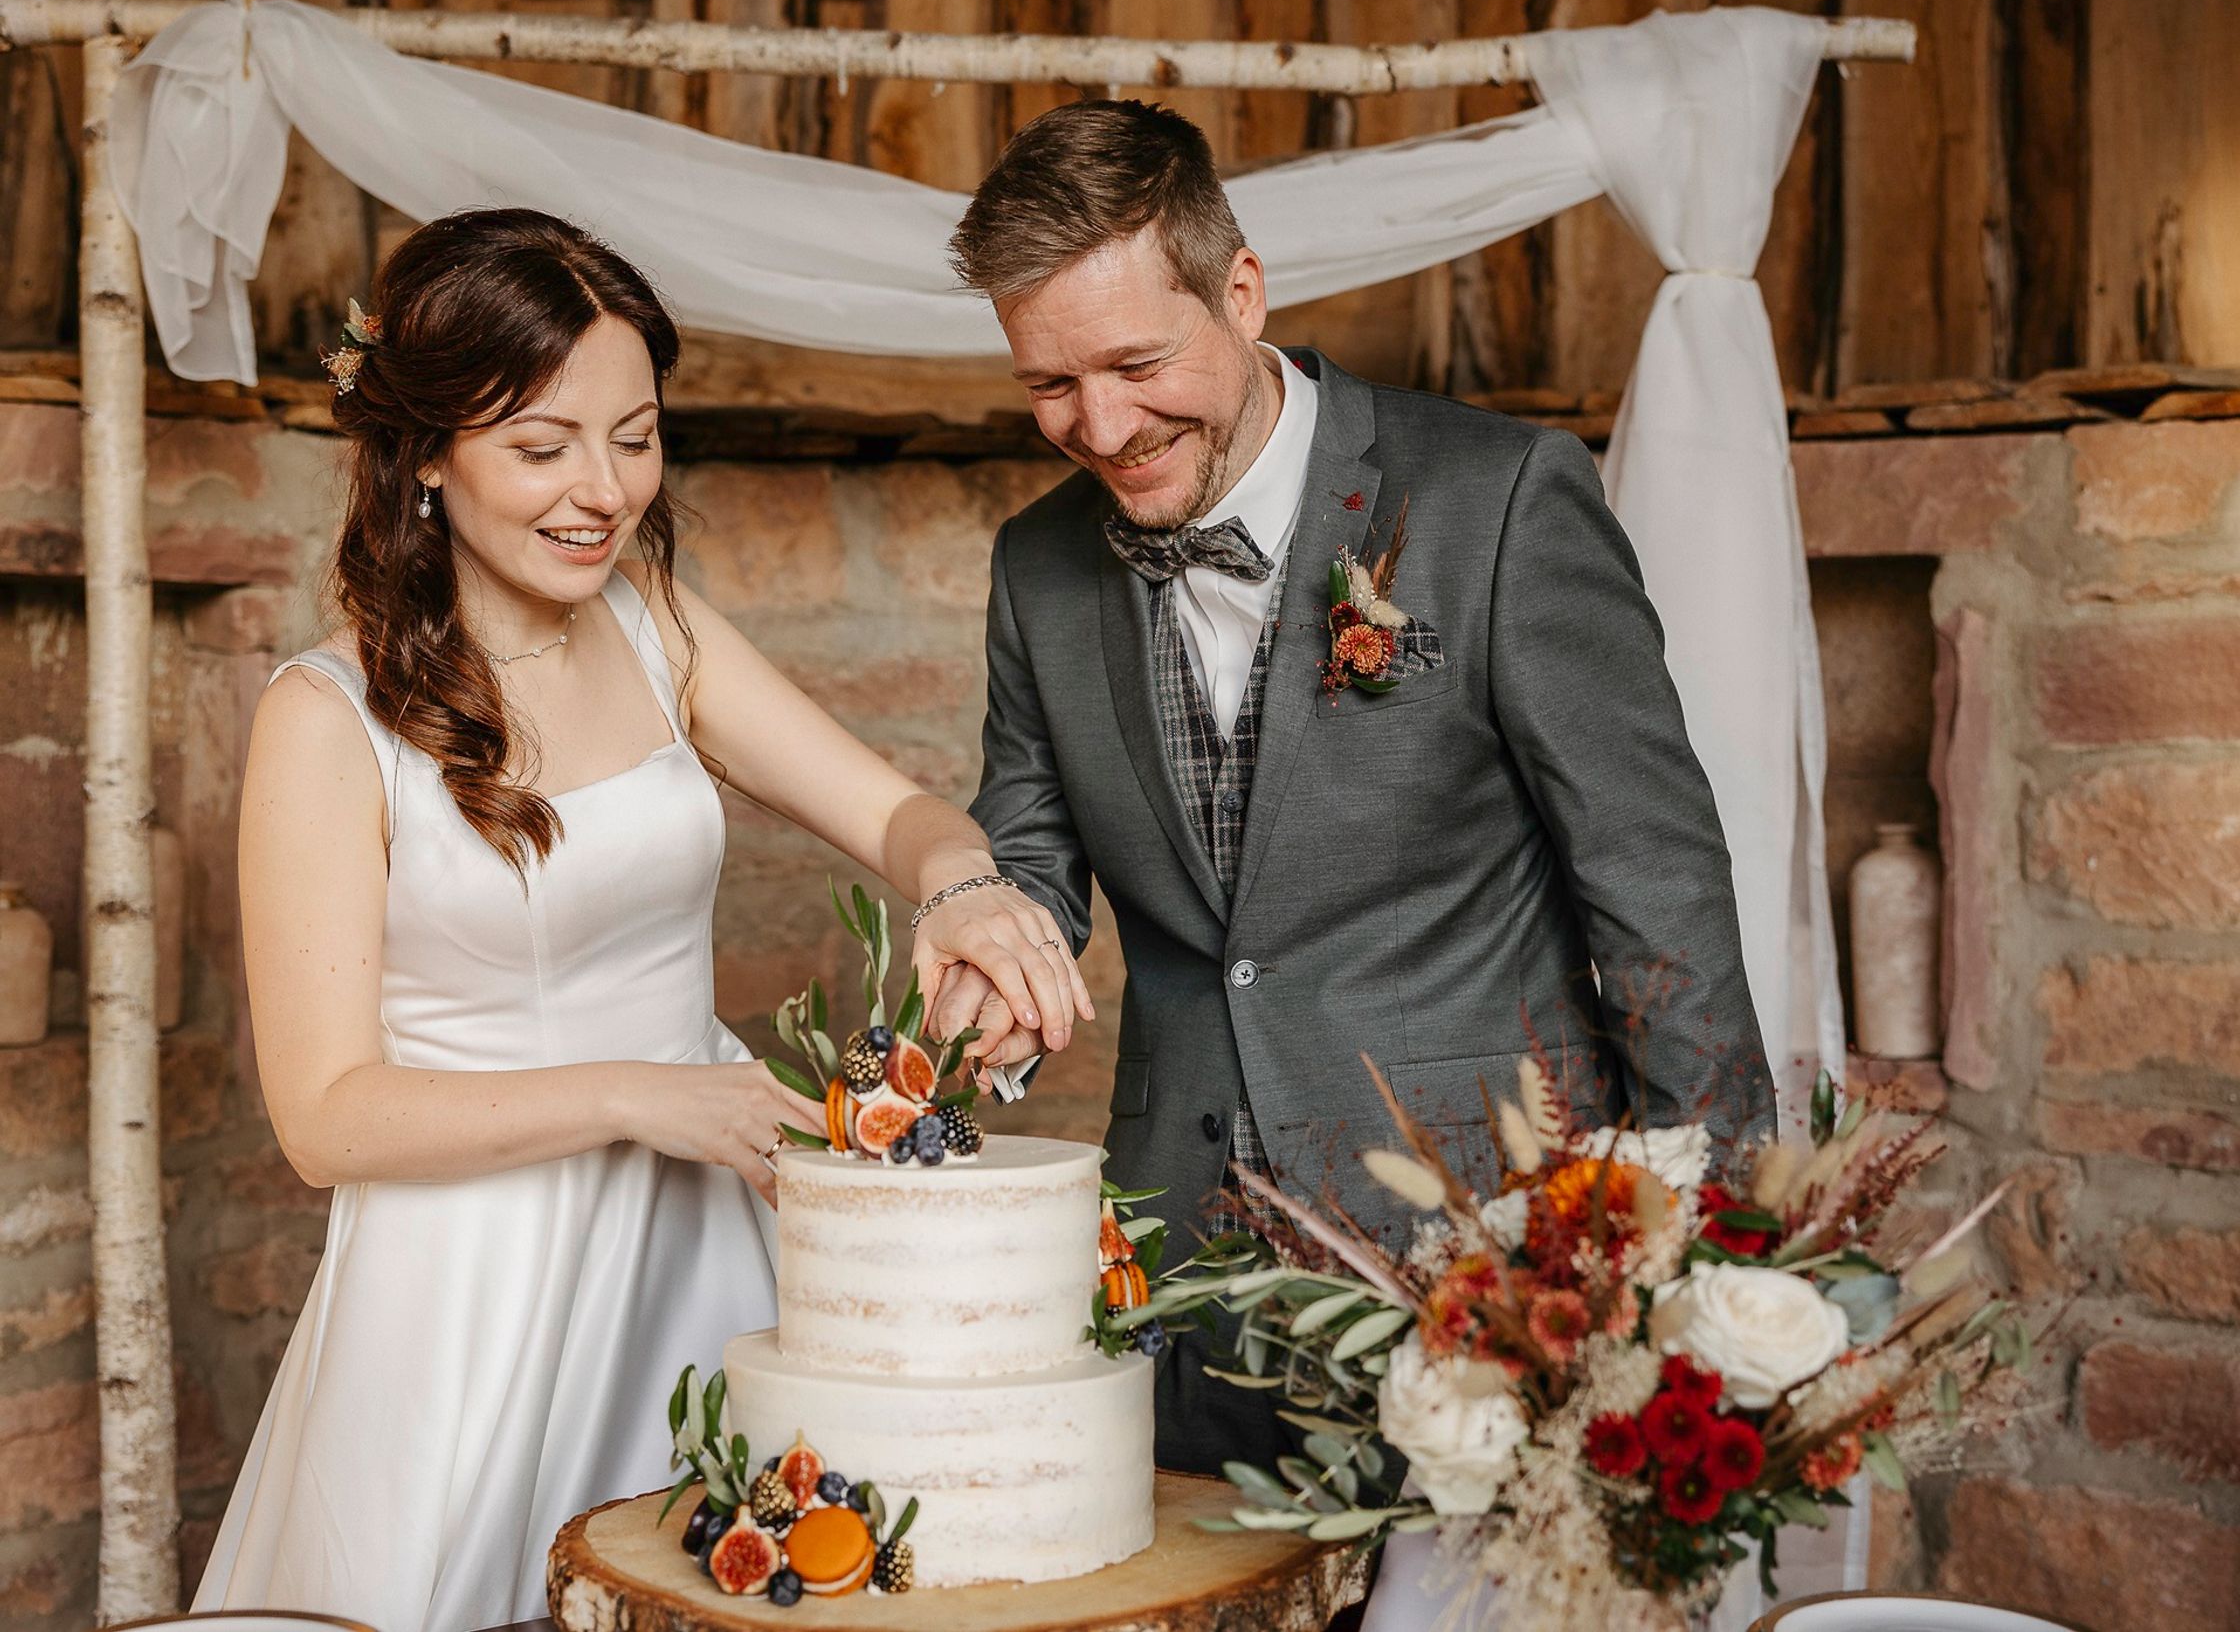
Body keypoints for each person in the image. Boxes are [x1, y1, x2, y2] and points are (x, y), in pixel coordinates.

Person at [197, 208, 1090, 1632]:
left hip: (694, 1247)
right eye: (543, 448)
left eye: (636, 435)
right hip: (470, 1292)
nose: (601, 491)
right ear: (427, 455)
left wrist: (971, 890)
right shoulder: (326, 718)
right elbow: (324, 1119)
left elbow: (898, 818)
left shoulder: (651, 621)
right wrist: (649, 1097)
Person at [930, 100, 1777, 1482]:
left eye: (1138, 363)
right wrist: (984, 979)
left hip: (1491, 1260)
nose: (1102, 426)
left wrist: (1731, 1260)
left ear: (1243, 291)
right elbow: (1028, 847)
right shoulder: (1036, 564)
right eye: (1049, 386)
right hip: (1182, 1278)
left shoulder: (1495, 502)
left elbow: (1656, 886)